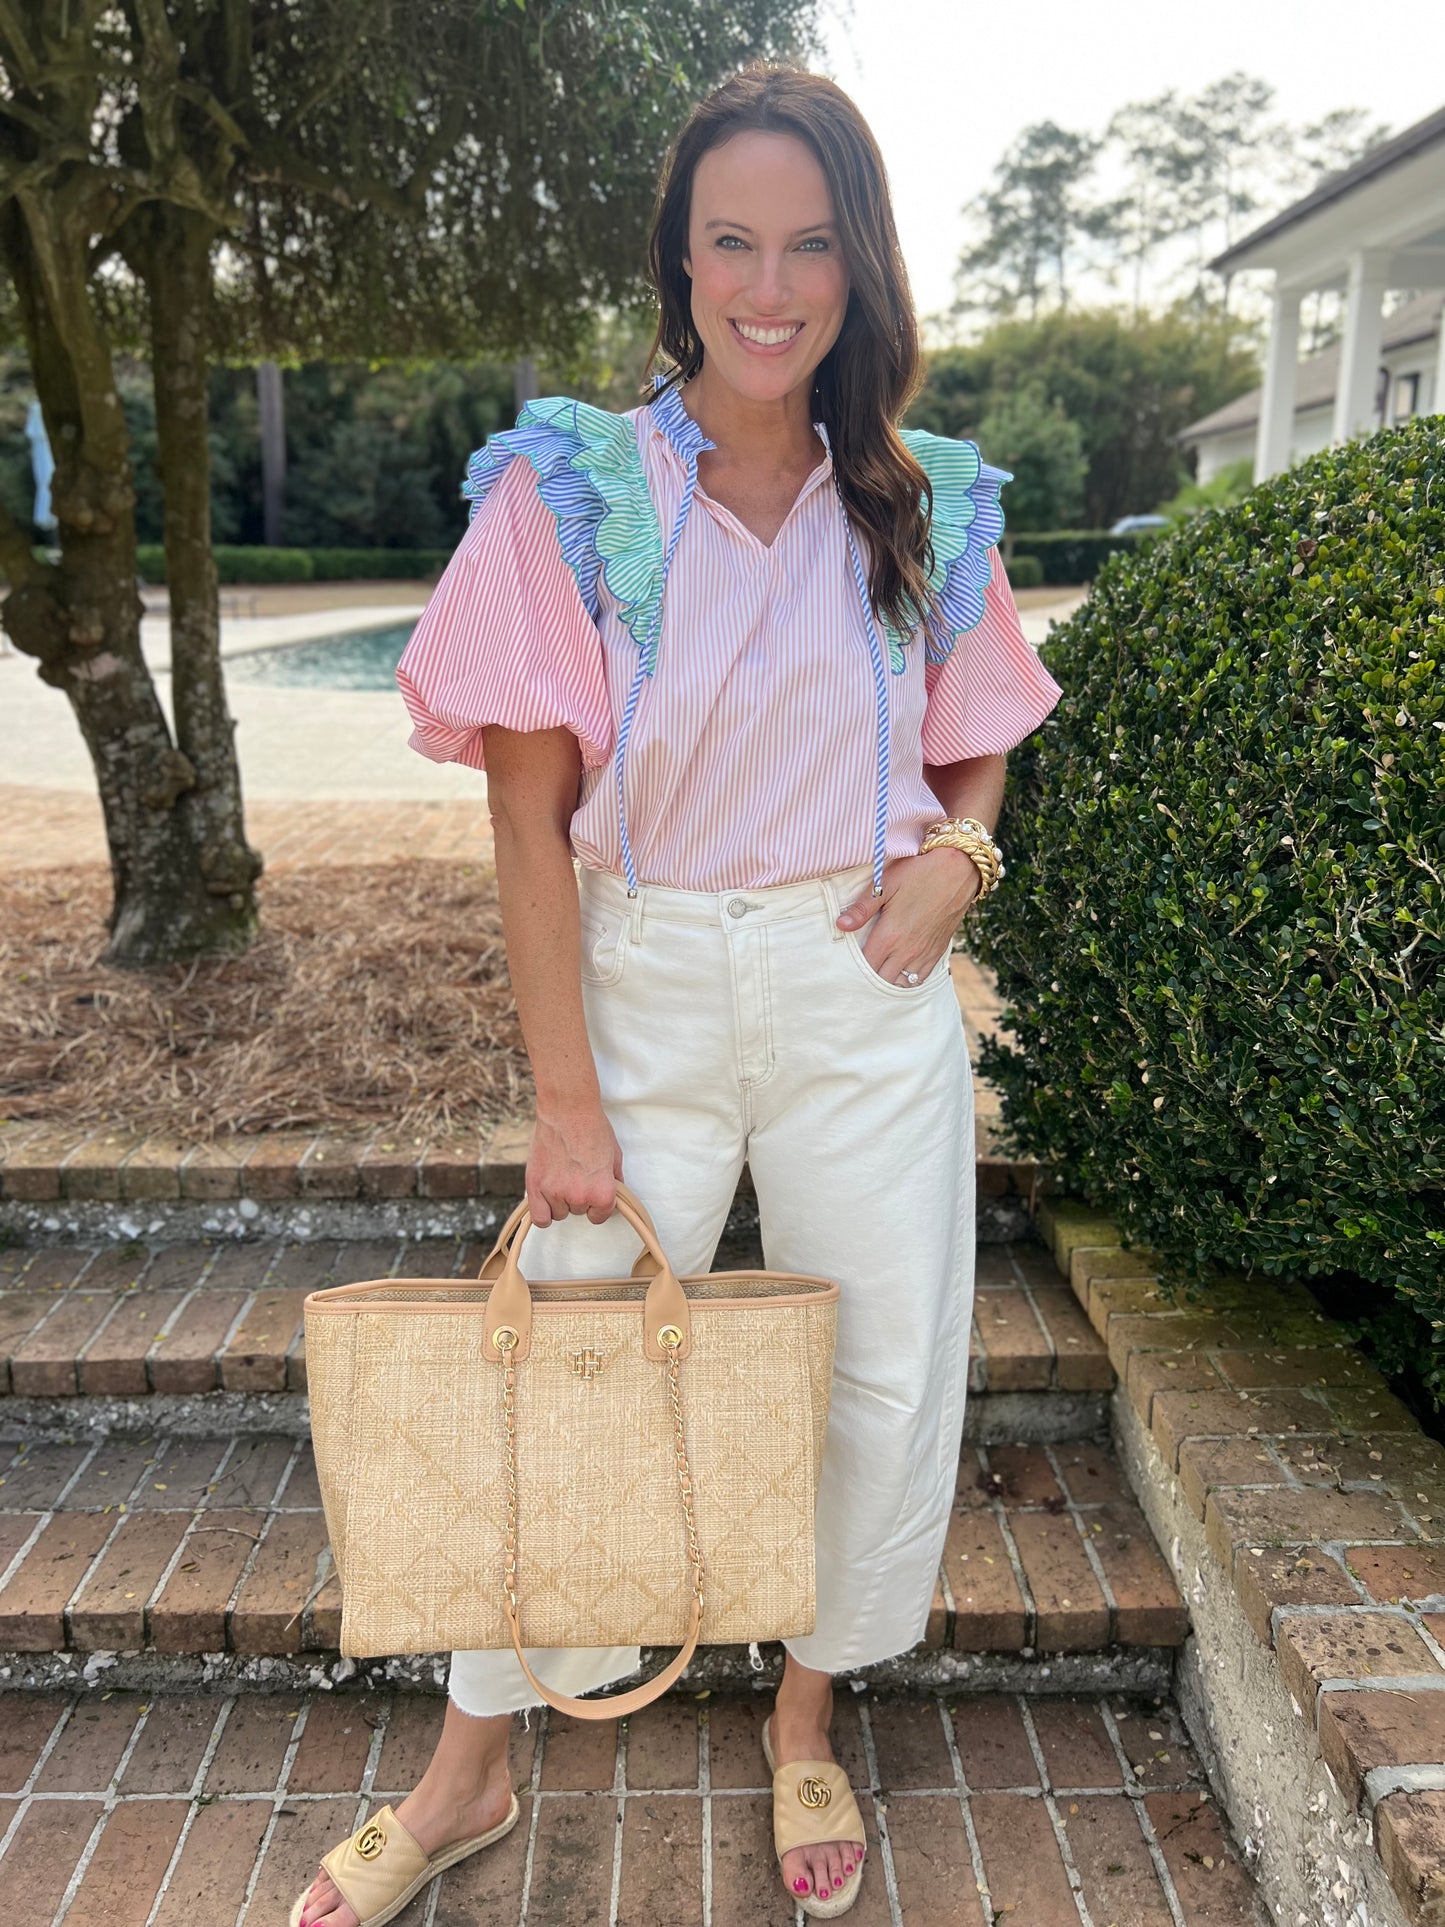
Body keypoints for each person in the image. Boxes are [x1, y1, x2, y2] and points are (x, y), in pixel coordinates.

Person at [292, 60, 1061, 1927]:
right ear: (681, 259)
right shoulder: (574, 486)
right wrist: (566, 1100)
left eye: (808, 242)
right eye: (732, 241)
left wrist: (962, 858)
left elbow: (979, 744)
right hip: (638, 987)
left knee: (876, 1379)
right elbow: (529, 819)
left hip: (855, 996)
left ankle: (806, 1706)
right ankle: (470, 1770)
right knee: (560, 1363)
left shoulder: (929, 505)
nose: (769, 284)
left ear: (860, 264)